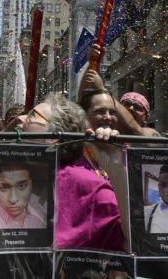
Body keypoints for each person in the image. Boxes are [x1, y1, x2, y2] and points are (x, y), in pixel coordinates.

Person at [51, 92, 129, 251]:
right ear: (83, 117)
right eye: (100, 111)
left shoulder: (122, 152)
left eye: (112, 112)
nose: (108, 117)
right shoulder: (70, 160)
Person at [0, 160, 46, 229]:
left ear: (31, 185)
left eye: (21, 186)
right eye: (4, 187)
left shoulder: (40, 212)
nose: (13, 199)